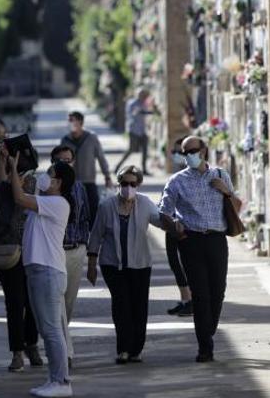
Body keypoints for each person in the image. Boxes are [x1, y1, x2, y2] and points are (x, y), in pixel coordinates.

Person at [158, 136, 241, 363]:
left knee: (218, 291)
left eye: (193, 151)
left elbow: (237, 207)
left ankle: (207, 330)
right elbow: (163, 211)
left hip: (216, 240)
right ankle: (205, 346)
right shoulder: (176, 181)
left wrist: (226, 191)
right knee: (201, 295)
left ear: (204, 150)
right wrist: (176, 228)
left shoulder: (220, 175)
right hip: (191, 241)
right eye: (186, 153)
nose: (190, 156)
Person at [9, 154, 75, 398]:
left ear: (58, 183)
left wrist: (15, 168)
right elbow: (17, 192)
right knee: (48, 329)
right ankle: (54, 380)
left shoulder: (58, 203)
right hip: (40, 271)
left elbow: (18, 196)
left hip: (47, 272)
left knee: (51, 330)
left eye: (50, 175)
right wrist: (8, 166)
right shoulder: (44, 201)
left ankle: (62, 382)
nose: (45, 178)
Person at [87, 165, 161, 364]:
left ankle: (136, 349)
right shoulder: (106, 206)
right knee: (121, 306)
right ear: (119, 184)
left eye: (132, 184)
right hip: (113, 265)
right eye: (124, 183)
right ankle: (123, 350)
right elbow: (96, 235)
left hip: (140, 264)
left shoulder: (145, 204)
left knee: (139, 306)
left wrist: (175, 223)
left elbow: (159, 219)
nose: (128, 187)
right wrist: (91, 265)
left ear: (138, 185)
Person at [0, 146, 44, 372]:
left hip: (33, 251)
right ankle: (17, 352)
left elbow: (21, 199)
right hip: (7, 253)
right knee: (14, 303)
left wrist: (11, 169)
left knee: (33, 303)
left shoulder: (34, 185)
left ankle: (31, 344)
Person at [50, 145, 91, 368]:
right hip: (55, 252)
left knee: (68, 303)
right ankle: (65, 351)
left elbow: (85, 218)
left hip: (76, 251)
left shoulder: (80, 188)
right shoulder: (46, 189)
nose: (66, 163)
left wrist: (85, 246)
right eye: (60, 160)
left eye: (69, 160)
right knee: (55, 302)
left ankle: (60, 343)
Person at [60, 111, 112, 224]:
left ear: (81, 123)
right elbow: (59, 162)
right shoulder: (65, 140)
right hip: (71, 183)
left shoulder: (91, 138)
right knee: (71, 214)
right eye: (69, 120)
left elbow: (101, 158)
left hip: (88, 181)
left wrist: (107, 176)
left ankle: (92, 238)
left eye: (72, 120)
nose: (69, 123)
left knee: (93, 212)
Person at [165, 137, 192, 317]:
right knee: (175, 263)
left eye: (179, 153)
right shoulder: (177, 173)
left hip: (186, 226)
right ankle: (185, 299)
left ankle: (191, 301)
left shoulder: (192, 175)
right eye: (174, 152)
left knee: (186, 264)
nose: (175, 156)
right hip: (172, 223)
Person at [114, 89, 157, 176]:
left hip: (142, 130)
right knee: (131, 150)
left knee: (145, 149)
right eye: (143, 95)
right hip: (133, 130)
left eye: (145, 95)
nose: (144, 97)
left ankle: (144, 169)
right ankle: (117, 166)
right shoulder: (132, 103)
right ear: (138, 95)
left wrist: (152, 111)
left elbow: (145, 112)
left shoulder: (143, 103)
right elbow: (134, 112)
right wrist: (145, 112)